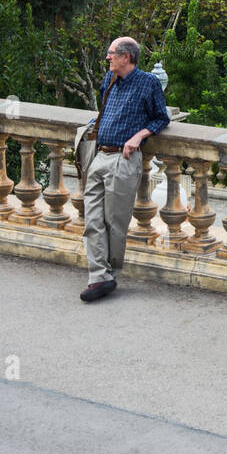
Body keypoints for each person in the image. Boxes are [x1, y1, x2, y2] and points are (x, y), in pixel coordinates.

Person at [77, 36, 169, 303]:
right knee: (92, 219)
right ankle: (99, 276)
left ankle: (108, 274)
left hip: (123, 158)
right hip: (100, 155)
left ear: (126, 57)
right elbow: (106, 113)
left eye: (111, 54)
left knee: (114, 222)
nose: (107, 58)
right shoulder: (110, 79)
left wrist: (139, 136)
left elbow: (161, 117)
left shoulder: (148, 83)